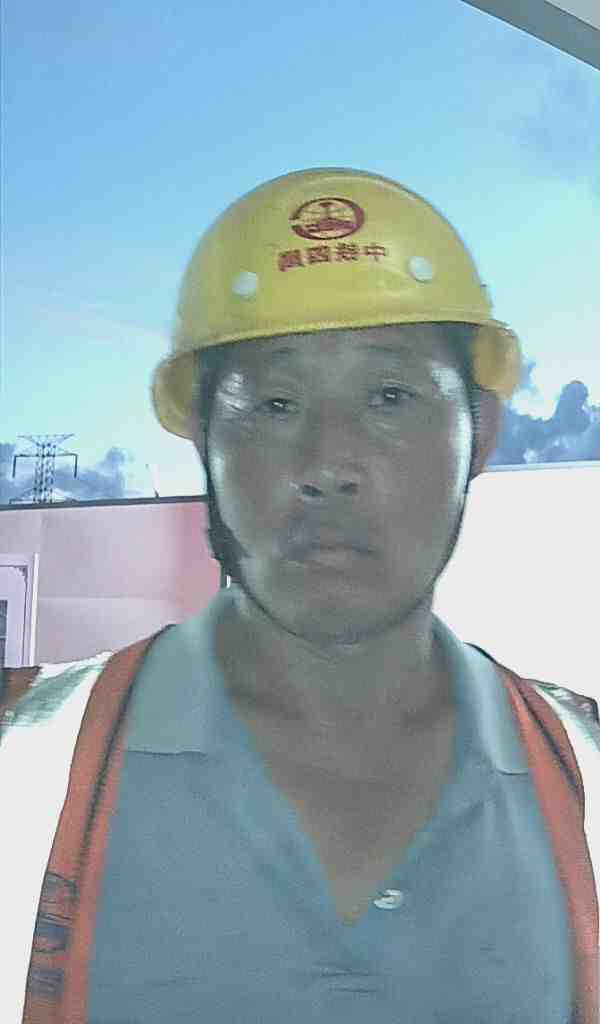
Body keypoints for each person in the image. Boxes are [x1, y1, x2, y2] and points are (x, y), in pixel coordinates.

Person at [2, 168, 598, 1023]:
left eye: (390, 397)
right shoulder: (28, 759)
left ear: (482, 433)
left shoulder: (583, 770)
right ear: (204, 441)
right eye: (275, 404)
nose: (327, 464)